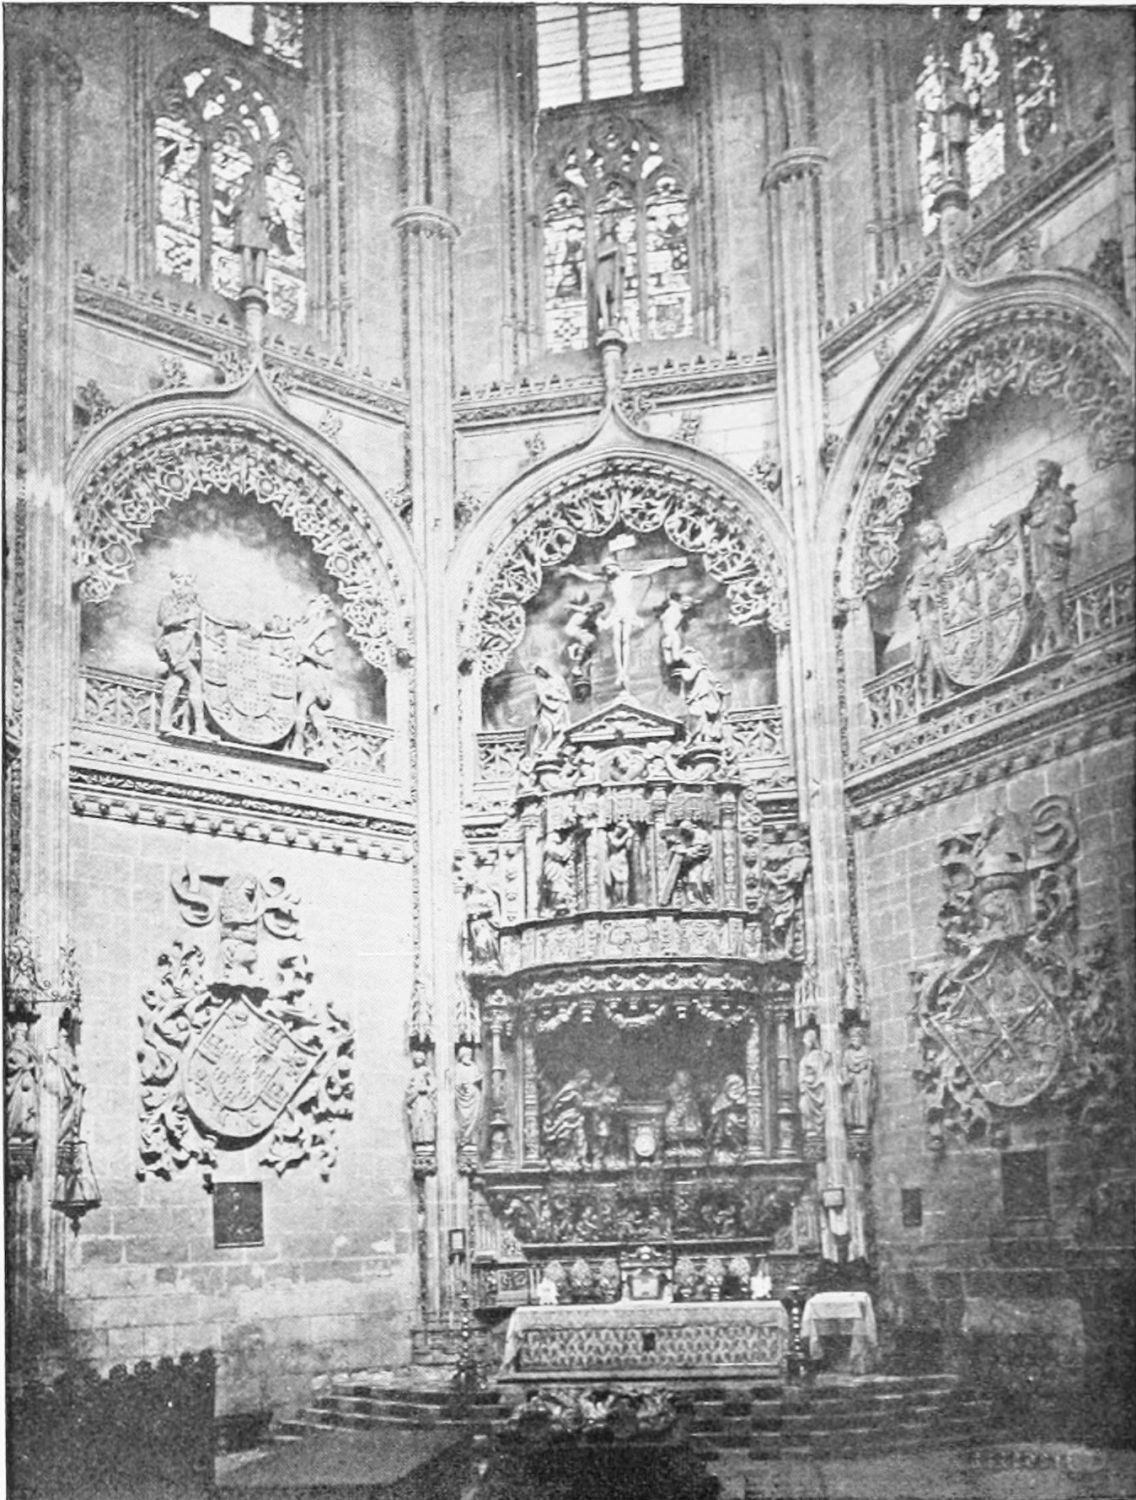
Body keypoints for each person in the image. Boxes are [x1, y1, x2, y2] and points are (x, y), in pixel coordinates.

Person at [561, 545, 686, 693]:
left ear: (615, 567)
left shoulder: (627, 575)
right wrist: (574, 571)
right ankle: (619, 672)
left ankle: (624, 673)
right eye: (605, 570)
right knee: (616, 640)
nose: (607, 572)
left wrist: (667, 563)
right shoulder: (609, 580)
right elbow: (590, 577)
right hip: (616, 610)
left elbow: (647, 570)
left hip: (627, 609)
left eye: (608, 568)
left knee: (625, 640)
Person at [1025, 459, 1077, 655]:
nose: (1039, 477)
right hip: (1039, 553)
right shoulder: (1036, 501)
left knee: (1052, 590)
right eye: (1038, 473)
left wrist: (1051, 535)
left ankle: (1061, 636)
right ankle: (1056, 637)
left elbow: (1065, 519)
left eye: (1043, 473)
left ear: (1053, 475)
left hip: (1051, 549)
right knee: (1044, 591)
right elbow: (1026, 514)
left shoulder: (1059, 497)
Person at [905, 519, 948, 702]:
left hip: (946, 612)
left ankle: (943, 688)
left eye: (930, 532)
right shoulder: (919, 570)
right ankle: (937, 691)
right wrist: (920, 593)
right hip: (927, 614)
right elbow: (911, 597)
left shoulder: (949, 557)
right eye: (923, 535)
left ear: (940, 534)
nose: (927, 537)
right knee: (930, 652)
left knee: (936, 650)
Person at [156, 571, 204, 735]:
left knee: (175, 681)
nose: (184, 586)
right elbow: (164, 620)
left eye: (187, 583)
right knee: (195, 680)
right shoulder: (167, 600)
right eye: (180, 582)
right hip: (172, 645)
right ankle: (199, 726)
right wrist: (186, 616)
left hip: (182, 649)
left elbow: (193, 630)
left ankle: (165, 722)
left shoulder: (194, 605)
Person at [292, 596, 336, 755]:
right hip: (297, 675)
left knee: (303, 706)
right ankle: (328, 745)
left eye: (316, 610)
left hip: (312, 677)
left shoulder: (323, 637)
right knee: (313, 711)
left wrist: (309, 654)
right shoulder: (300, 633)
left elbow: (329, 663)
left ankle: (297, 742)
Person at [542, 1069, 592, 1165]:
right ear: (581, 1078)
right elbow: (560, 1102)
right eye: (587, 1080)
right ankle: (563, 1159)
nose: (588, 1083)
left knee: (580, 1138)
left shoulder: (578, 1089)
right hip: (566, 1118)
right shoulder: (571, 1088)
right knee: (565, 1138)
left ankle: (579, 1159)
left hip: (576, 1118)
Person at [527, 662, 572, 758]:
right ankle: (541, 749)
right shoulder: (539, 683)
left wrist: (555, 696)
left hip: (559, 710)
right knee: (546, 729)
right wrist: (544, 704)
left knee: (561, 731)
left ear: (546, 669)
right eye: (538, 671)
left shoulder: (558, 680)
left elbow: (567, 697)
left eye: (541, 670)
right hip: (546, 710)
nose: (540, 673)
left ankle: (554, 750)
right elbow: (540, 698)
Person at [841, 1025, 877, 1133]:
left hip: (863, 1082)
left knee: (862, 1102)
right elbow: (844, 1067)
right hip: (852, 1082)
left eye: (856, 1038)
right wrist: (846, 1077)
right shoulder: (848, 1053)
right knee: (851, 1102)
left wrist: (866, 1074)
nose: (854, 1041)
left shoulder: (866, 1051)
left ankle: (862, 1124)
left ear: (861, 1039)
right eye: (852, 1038)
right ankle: (853, 1123)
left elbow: (870, 1066)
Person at [593, 213, 625, 332]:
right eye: (605, 224)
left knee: (614, 298)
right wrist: (613, 250)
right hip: (602, 273)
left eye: (609, 224)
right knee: (602, 299)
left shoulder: (618, 245)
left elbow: (622, 263)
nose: (607, 226)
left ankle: (614, 323)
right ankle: (605, 324)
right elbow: (598, 255)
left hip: (614, 274)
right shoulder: (599, 244)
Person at [797, 1025, 827, 1139]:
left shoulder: (816, 1055)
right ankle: (810, 1128)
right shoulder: (805, 1057)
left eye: (807, 1040)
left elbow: (816, 1070)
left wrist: (807, 1079)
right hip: (805, 1089)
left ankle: (815, 1129)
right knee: (803, 1108)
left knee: (807, 1108)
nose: (805, 1043)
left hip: (813, 1088)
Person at [707, 1073, 747, 1157]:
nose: (736, 1090)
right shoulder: (722, 1103)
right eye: (732, 1088)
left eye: (738, 1087)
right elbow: (715, 1114)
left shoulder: (746, 1100)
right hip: (726, 1138)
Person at [404, 1049, 437, 1151]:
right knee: (417, 1120)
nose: (419, 1060)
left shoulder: (427, 1071)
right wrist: (414, 1092)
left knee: (426, 1119)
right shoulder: (413, 1073)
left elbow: (433, 1085)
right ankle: (418, 1141)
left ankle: (427, 1141)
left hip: (425, 1100)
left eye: (421, 1058)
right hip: (416, 1100)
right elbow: (408, 1089)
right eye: (417, 1058)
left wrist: (426, 1089)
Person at [663, 1069, 703, 1150]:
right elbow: (670, 1126)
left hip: (689, 1116)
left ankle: (689, 1146)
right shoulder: (672, 1090)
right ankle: (677, 1146)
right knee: (671, 1126)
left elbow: (696, 1126)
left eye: (686, 1079)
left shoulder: (691, 1100)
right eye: (681, 1079)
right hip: (677, 1114)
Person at [454, 1044, 482, 1152]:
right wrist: (462, 1085)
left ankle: (471, 1140)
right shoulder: (458, 1067)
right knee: (463, 1118)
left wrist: (476, 1080)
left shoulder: (474, 1066)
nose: (469, 1057)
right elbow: (456, 1083)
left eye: (470, 1055)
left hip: (474, 1095)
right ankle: (463, 1139)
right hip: (463, 1096)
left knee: (474, 1117)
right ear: (461, 1056)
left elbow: (477, 1077)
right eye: (467, 1055)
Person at [604, 817, 634, 907]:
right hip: (614, 860)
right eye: (619, 828)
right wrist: (627, 835)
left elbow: (629, 848)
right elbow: (616, 844)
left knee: (625, 881)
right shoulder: (610, 834)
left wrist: (630, 838)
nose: (620, 831)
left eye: (623, 830)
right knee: (618, 881)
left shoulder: (624, 836)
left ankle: (625, 901)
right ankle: (618, 901)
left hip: (623, 860)